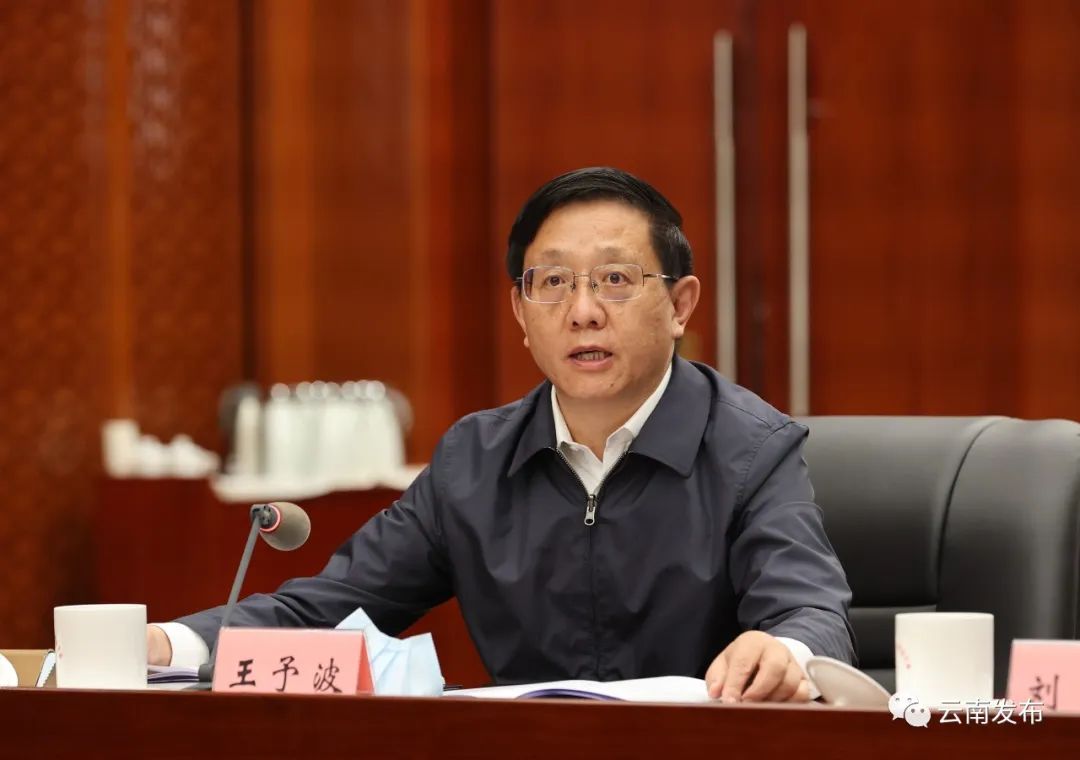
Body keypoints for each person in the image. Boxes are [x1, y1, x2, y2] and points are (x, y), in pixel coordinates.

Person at [147, 167, 855, 703]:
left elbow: (811, 612)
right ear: (521, 311)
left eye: (615, 279)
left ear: (679, 304)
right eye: (552, 282)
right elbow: (326, 610)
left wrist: (785, 651)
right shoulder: (474, 463)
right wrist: (167, 644)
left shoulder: (750, 450)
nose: (582, 311)